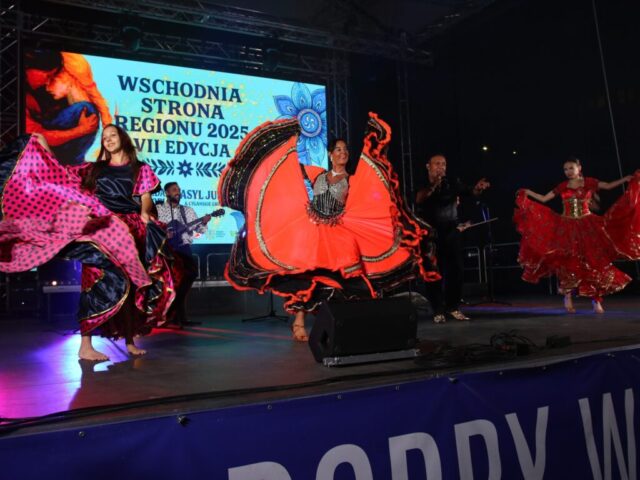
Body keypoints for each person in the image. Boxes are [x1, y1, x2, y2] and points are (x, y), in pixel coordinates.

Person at [218, 113, 439, 342]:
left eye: (346, 150)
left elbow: (370, 197)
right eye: (339, 150)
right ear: (331, 154)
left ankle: (348, 324)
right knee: (307, 277)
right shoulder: (318, 174)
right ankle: (299, 322)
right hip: (312, 232)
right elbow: (290, 170)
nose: (343, 153)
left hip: (338, 234)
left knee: (346, 280)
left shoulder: (353, 180)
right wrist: (286, 142)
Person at [0, 125, 175, 361]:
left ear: (123, 139)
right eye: (105, 137)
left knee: (129, 285)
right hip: (101, 228)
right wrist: (42, 147)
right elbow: (60, 174)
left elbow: (145, 197)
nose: (108, 140)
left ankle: (130, 341)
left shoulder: (140, 168)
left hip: (130, 230)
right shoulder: (95, 168)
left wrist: (145, 213)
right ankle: (86, 345)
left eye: (113, 135)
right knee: (94, 282)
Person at [514, 157, 640, 313]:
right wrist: (528, 192)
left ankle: (596, 300)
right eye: (565, 169)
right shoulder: (562, 186)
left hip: (587, 225)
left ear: (579, 168)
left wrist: (625, 179)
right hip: (566, 227)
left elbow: (608, 186)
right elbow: (544, 198)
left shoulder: (589, 182)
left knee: (593, 262)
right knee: (568, 262)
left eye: (571, 168)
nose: (568, 172)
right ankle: (567, 296)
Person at [415, 154, 490, 324]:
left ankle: (453, 307)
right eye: (437, 164)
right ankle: (437, 309)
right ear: (428, 166)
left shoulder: (452, 182)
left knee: (456, 271)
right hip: (430, 235)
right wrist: (434, 184)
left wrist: (478, 188)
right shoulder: (422, 182)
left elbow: (470, 191)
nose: (441, 167)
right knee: (433, 272)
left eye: (443, 164)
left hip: (451, 232)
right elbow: (419, 198)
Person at [25, 50, 112, 165]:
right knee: (86, 109)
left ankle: (72, 166)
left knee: (87, 110)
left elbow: (93, 92)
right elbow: (37, 136)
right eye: (48, 75)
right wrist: (81, 130)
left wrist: (107, 125)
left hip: (50, 142)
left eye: (53, 78)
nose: (47, 83)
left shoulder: (74, 67)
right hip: (37, 145)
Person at [157, 182, 211, 327]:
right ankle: (173, 317)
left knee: (189, 276)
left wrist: (204, 223)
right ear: (167, 193)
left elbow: (200, 231)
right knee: (170, 283)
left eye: (179, 190)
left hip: (183, 248)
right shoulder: (159, 209)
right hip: (166, 249)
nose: (178, 192)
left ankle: (176, 314)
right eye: (174, 190)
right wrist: (163, 232)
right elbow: (152, 226)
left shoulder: (187, 210)